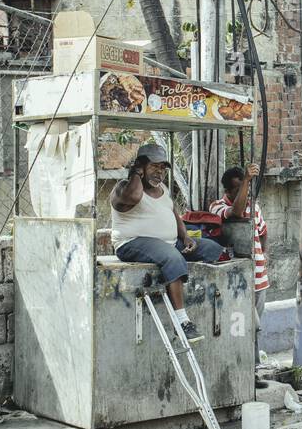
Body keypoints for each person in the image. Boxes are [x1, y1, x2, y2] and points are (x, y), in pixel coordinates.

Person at [111, 143, 224, 342]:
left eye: (163, 168)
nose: (160, 172)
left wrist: (186, 236)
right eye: (155, 166)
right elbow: (134, 197)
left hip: (169, 242)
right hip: (131, 243)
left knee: (213, 248)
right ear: (141, 166)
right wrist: (136, 175)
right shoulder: (123, 188)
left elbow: (174, 215)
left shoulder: (162, 189)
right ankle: (182, 322)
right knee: (173, 257)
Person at [209, 163, 269, 379]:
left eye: (245, 186)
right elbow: (236, 211)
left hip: (259, 279)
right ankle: (240, 372)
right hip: (237, 282)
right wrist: (246, 180)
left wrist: (264, 256)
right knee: (243, 327)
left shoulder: (255, 206)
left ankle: (252, 372)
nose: (244, 190)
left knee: (255, 330)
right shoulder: (217, 206)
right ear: (228, 191)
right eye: (238, 187)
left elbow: (263, 232)